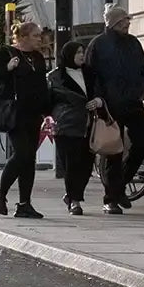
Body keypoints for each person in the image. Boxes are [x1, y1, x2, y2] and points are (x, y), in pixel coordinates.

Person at [0, 19, 50, 219]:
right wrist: (6, 68)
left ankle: (25, 204)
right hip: (14, 113)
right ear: (23, 37)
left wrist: (47, 111)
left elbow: (42, 86)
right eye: (35, 35)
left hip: (33, 113)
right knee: (22, 153)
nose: (39, 39)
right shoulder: (5, 53)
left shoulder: (38, 58)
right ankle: (0, 196)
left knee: (29, 158)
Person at [83, 3, 144, 213]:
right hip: (109, 105)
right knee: (113, 150)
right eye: (124, 21)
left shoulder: (133, 43)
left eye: (128, 21)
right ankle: (111, 198)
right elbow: (90, 76)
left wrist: (143, 89)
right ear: (113, 23)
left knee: (141, 145)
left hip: (133, 103)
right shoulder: (97, 45)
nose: (127, 24)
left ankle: (119, 187)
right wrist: (97, 101)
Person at [47, 40, 103, 216]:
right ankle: (74, 200)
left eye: (83, 52)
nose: (82, 55)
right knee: (71, 165)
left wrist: (100, 101)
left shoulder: (90, 73)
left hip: (89, 125)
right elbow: (47, 102)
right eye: (78, 52)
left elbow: (102, 91)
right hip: (66, 125)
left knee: (86, 165)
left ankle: (74, 195)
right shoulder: (55, 77)